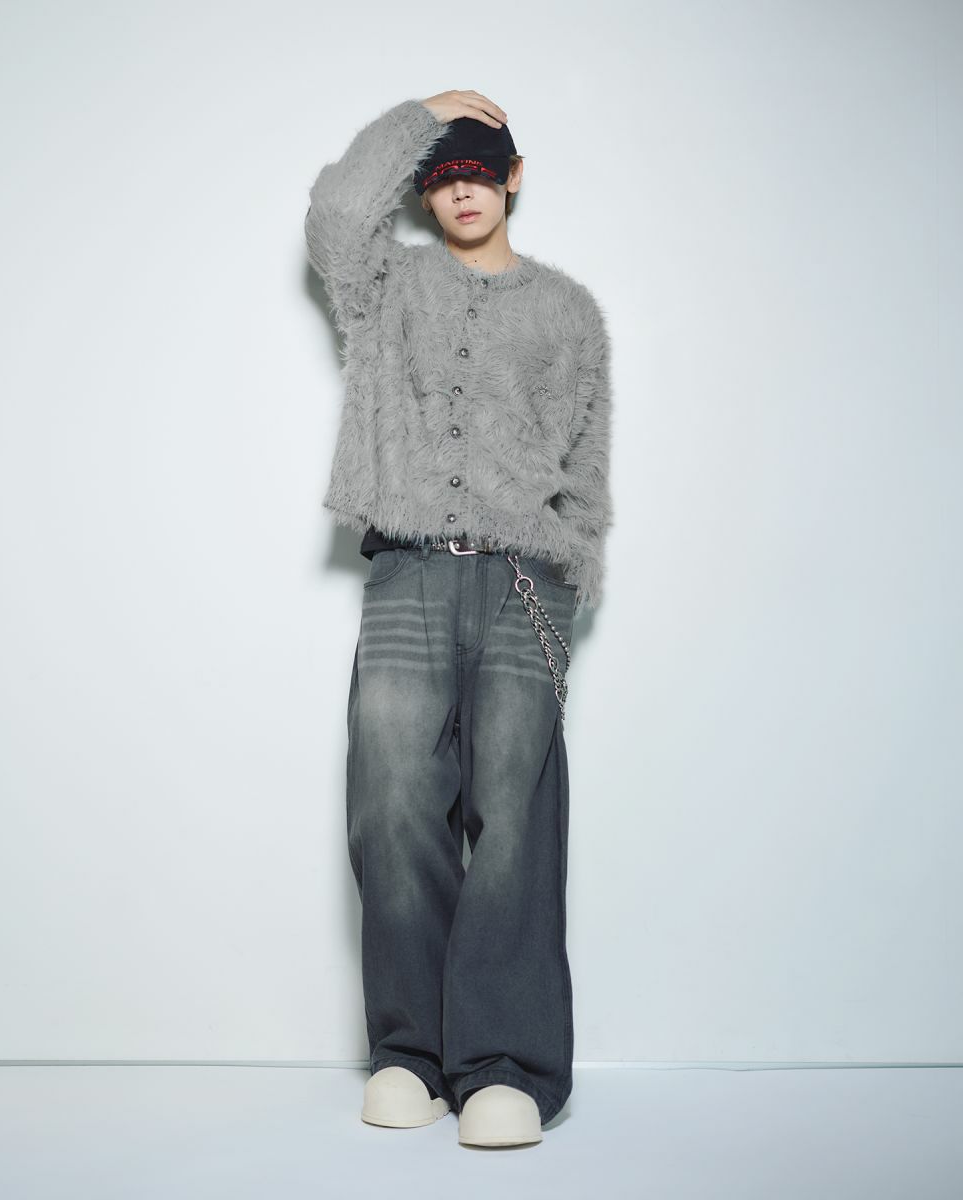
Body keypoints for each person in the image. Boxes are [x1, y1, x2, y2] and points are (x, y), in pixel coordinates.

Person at [305, 89, 613, 1148]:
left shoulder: (568, 311)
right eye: (442, 175)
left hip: (527, 579)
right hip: (407, 573)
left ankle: (506, 1065)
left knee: (514, 817)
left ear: (514, 177)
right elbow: (335, 216)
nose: (461, 188)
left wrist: (569, 573)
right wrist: (418, 118)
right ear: (423, 192)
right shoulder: (384, 286)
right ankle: (410, 1055)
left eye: (479, 169)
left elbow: (584, 468)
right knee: (391, 806)